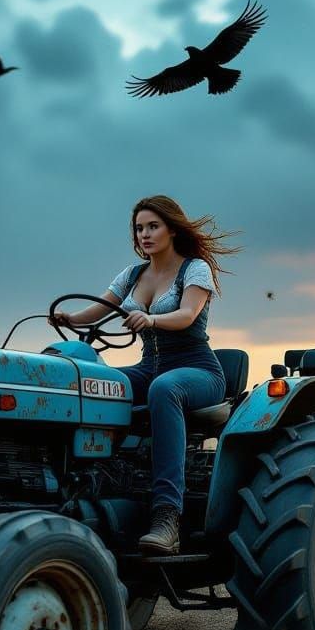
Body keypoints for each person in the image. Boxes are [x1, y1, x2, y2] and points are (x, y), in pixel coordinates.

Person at [51, 194, 240, 554]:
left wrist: (151, 318)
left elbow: (186, 314)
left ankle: (167, 517)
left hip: (196, 369)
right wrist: (70, 319)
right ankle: (85, 487)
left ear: (171, 229)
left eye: (153, 226)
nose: (145, 235)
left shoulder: (194, 269)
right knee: (92, 384)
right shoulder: (134, 274)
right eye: (139, 228)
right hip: (148, 367)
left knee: (164, 389)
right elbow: (101, 308)